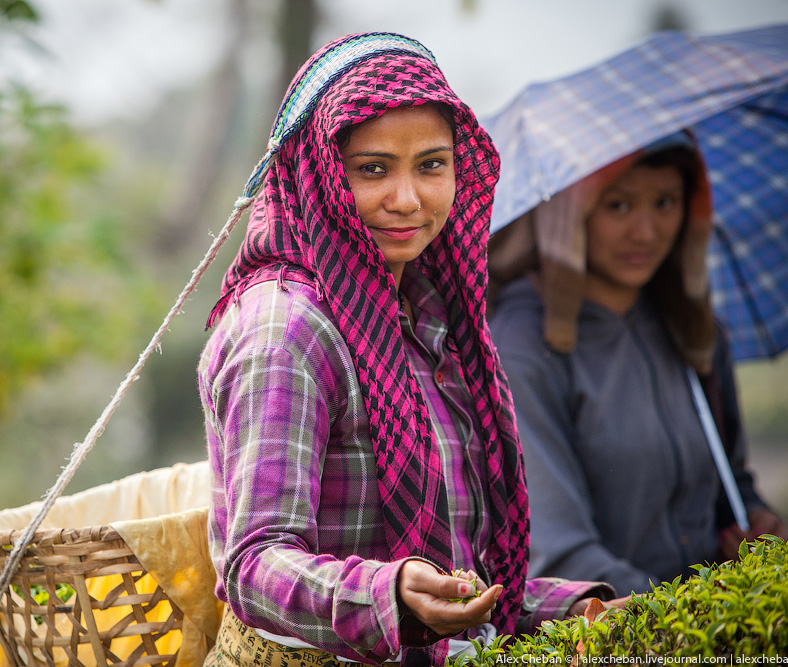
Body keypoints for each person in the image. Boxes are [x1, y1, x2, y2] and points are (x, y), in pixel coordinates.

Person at [197, 33, 616, 667]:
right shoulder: (287, 330)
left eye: (430, 164)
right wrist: (385, 592)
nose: (407, 199)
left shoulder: (425, 316)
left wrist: (566, 608)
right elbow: (254, 563)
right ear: (318, 172)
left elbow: (455, 577)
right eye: (372, 169)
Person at [486, 131, 787, 598]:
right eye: (618, 206)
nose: (645, 232)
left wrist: (752, 522)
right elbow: (559, 553)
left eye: (665, 202)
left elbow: (730, 482)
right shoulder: (522, 345)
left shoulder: (692, 328)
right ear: (570, 211)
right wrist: (694, 618)